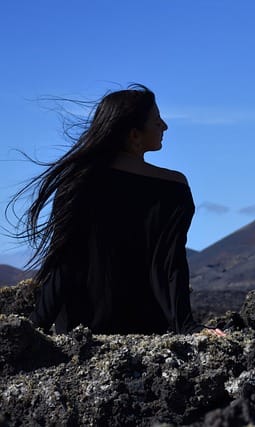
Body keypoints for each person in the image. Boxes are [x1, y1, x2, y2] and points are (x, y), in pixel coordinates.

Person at [9, 84, 224, 336]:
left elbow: (63, 263)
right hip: (146, 327)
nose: (165, 126)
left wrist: (34, 328)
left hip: (81, 331)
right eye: (157, 122)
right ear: (134, 135)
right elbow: (170, 264)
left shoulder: (77, 183)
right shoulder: (173, 187)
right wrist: (186, 325)